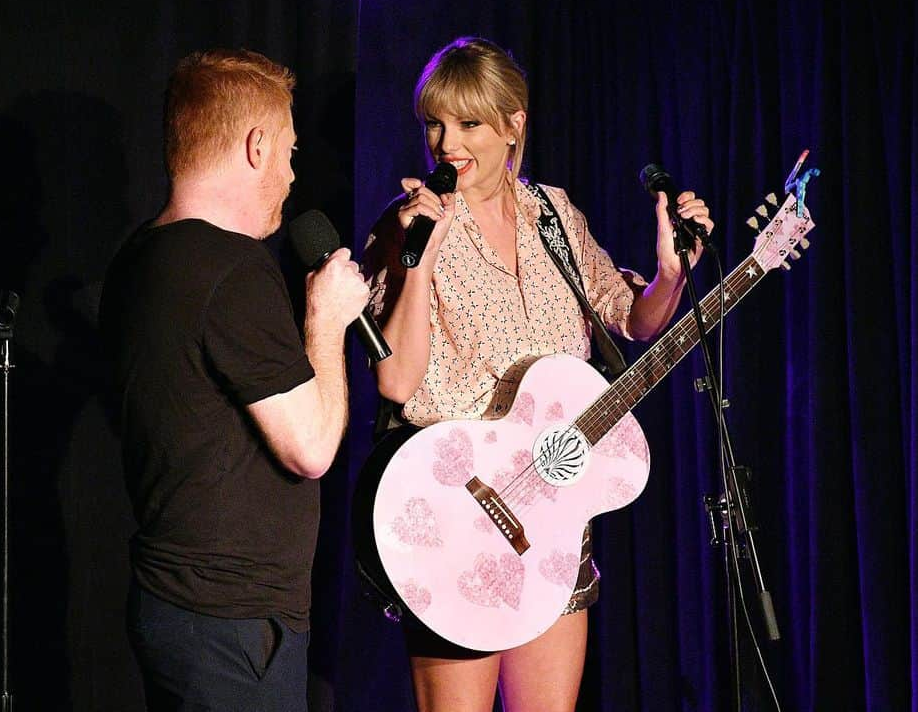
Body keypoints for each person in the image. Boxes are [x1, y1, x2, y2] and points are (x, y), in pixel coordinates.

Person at [362, 37, 713, 712]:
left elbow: (632, 318)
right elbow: (396, 383)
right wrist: (422, 262)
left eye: (468, 124)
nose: (445, 142)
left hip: (550, 526)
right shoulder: (406, 222)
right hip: (457, 518)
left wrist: (670, 274)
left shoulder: (553, 214)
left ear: (513, 124)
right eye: (435, 123)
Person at [99, 49, 368, 712]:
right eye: (288, 151)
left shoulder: (142, 254)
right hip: (232, 624)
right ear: (255, 146)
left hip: (175, 604)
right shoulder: (233, 270)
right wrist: (326, 321)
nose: (291, 174)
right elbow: (309, 447)